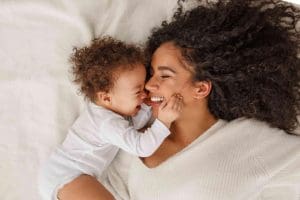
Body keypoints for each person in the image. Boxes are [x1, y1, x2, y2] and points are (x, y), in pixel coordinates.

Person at [41, 0, 300, 199]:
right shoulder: (133, 129)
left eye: (164, 75)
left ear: (201, 88)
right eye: (151, 73)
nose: (149, 85)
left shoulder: (247, 141)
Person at [38, 37, 183, 200]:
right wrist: (164, 121)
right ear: (106, 97)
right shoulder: (107, 122)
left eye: (144, 88)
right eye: (138, 92)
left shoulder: (111, 111)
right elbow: (140, 146)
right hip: (68, 175)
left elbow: (133, 125)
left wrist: (147, 105)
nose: (145, 94)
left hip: (67, 175)